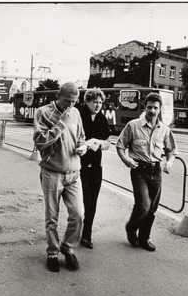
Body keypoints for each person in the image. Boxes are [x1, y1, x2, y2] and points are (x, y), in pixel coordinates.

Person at [33, 82, 87, 272]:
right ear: (58, 96)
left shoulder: (76, 113)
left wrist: (83, 146)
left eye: (74, 102)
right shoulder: (43, 113)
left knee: (78, 214)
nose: (70, 105)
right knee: (52, 217)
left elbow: (81, 136)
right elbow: (40, 142)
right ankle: (52, 252)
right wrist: (61, 123)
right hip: (52, 172)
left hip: (74, 173)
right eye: (67, 101)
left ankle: (68, 246)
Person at [116, 93, 178, 252]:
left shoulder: (165, 129)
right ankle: (131, 227)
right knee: (143, 205)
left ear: (160, 109)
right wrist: (125, 159)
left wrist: (169, 162)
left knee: (152, 208)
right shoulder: (133, 126)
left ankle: (144, 238)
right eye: (149, 107)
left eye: (155, 108)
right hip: (139, 170)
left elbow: (171, 150)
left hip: (156, 171)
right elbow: (120, 145)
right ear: (145, 108)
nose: (152, 111)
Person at [76, 88, 111, 250]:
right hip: (79, 166)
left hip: (96, 166)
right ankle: (75, 231)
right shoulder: (78, 115)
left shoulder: (102, 119)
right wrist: (84, 144)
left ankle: (86, 235)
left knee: (93, 202)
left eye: (100, 102)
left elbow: (108, 142)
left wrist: (100, 143)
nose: (98, 105)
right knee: (84, 202)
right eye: (95, 102)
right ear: (87, 101)